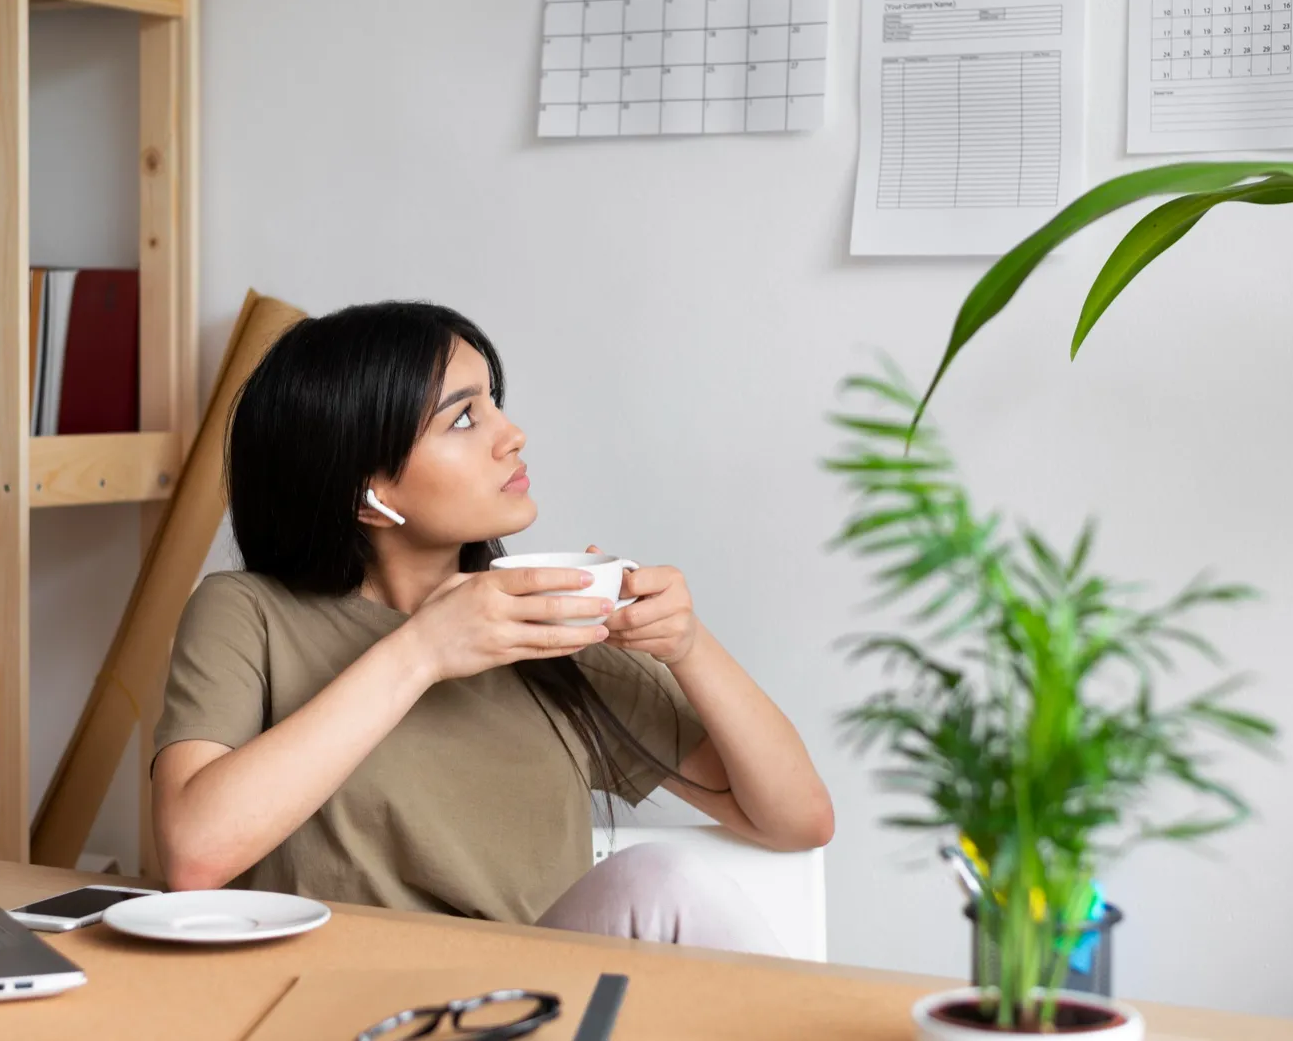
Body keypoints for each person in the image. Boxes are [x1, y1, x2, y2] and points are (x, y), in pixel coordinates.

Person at [151, 301, 833, 952]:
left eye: (494, 403)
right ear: (370, 492)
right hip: (329, 1007)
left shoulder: (548, 632)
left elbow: (798, 818)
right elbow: (194, 852)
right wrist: (421, 651)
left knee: (660, 883)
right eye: (463, 418)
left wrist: (689, 646)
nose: (512, 435)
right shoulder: (247, 612)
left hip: (523, 1008)